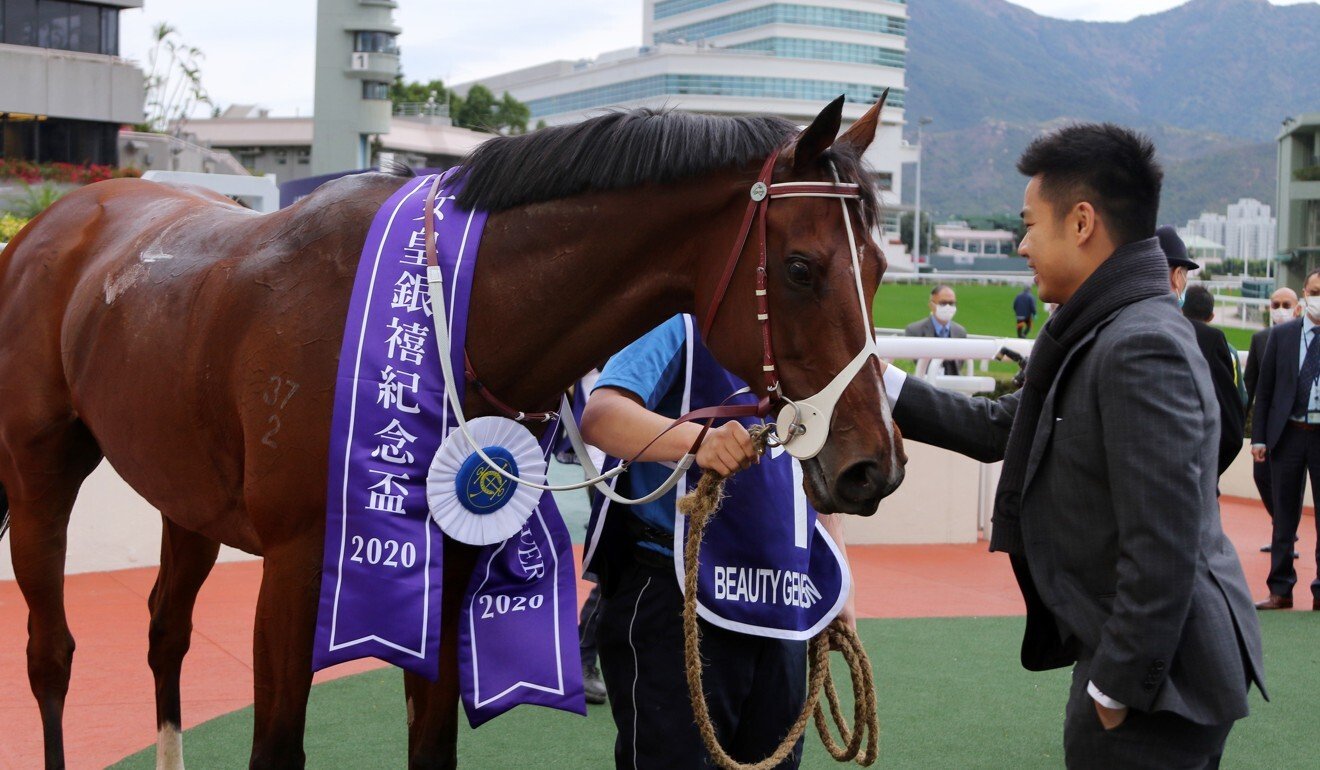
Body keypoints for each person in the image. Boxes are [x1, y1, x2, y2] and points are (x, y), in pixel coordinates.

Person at [880, 123, 1264, 768]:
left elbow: (1164, 536)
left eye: (1031, 224)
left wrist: (1117, 686)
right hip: (1135, 657)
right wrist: (880, 381)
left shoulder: (1140, 344)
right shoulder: (1102, 327)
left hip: (1154, 681)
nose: (1024, 244)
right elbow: (1004, 426)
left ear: (1081, 222)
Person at [580, 314, 854, 769]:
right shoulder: (679, 322)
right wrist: (699, 441)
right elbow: (602, 415)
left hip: (780, 601)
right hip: (675, 592)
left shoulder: (802, 332)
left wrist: (839, 574)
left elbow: (817, 461)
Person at [1249, 268, 1320, 611]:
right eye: (1315, 291)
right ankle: (1280, 589)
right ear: (1304, 294)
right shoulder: (1283, 336)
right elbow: (1264, 393)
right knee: (1284, 518)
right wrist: (1259, 438)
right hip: (1288, 435)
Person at [1244, 287, 1301, 555]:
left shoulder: (1308, 340)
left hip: (1297, 429)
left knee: (1293, 486)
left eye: (1285, 304)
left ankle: (1286, 536)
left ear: (1297, 306)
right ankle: (1283, 527)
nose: (1280, 309)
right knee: (1261, 476)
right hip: (1269, 427)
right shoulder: (1260, 339)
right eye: (1275, 304)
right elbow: (1252, 387)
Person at [1175, 282, 1245, 476]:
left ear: (1182, 309)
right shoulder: (1215, 341)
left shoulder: (1157, 330)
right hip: (1200, 463)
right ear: (1212, 316)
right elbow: (1232, 418)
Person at [905, 284, 967, 375]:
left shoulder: (960, 332)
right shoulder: (914, 331)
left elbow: (959, 365)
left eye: (951, 303)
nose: (948, 307)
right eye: (943, 303)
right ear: (931, 305)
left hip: (952, 385)